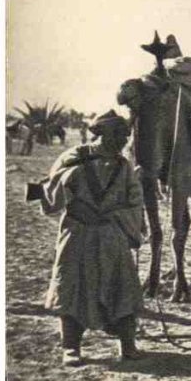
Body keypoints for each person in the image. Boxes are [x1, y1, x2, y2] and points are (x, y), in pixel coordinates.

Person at [33, 110, 145, 366]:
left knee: (122, 288)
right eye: (119, 134)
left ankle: (128, 345)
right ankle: (71, 348)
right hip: (78, 233)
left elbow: (134, 200)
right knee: (72, 288)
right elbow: (50, 194)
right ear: (102, 132)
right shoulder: (72, 157)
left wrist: (120, 217)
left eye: (126, 135)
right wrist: (72, 199)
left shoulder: (124, 165)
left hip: (111, 234)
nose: (124, 140)